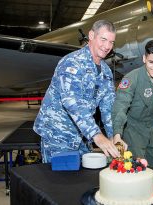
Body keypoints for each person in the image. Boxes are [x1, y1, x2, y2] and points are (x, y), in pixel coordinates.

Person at [33, 20, 124, 163]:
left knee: (84, 180)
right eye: (103, 39)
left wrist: (115, 136)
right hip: (57, 135)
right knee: (60, 181)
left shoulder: (106, 72)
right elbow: (72, 103)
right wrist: (97, 135)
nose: (107, 46)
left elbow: (109, 108)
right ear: (91, 35)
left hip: (83, 136)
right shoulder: (72, 62)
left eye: (111, 42)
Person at [111, 39, 153, 171]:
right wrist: (117, 134)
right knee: (137, 167)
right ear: (144, 58)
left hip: (152, 125)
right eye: (151, 62)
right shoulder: (131, 79)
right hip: (133, 127)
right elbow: (120, 107)